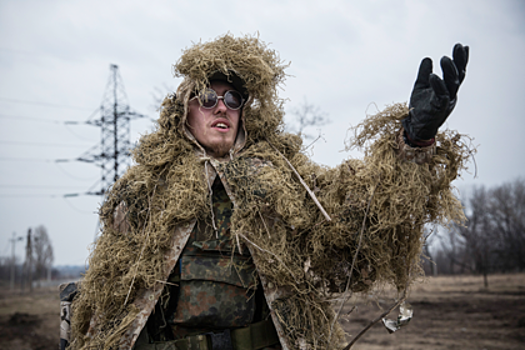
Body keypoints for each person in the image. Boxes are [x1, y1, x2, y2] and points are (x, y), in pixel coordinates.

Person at [61, 34, 470, 350]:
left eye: (233, 98)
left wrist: (415, 139)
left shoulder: (282, 176)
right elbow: (108, 297)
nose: (221, 107)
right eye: (208, 97)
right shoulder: (146, 187)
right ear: (184, 107)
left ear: (244, 112)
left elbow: (358, 213)